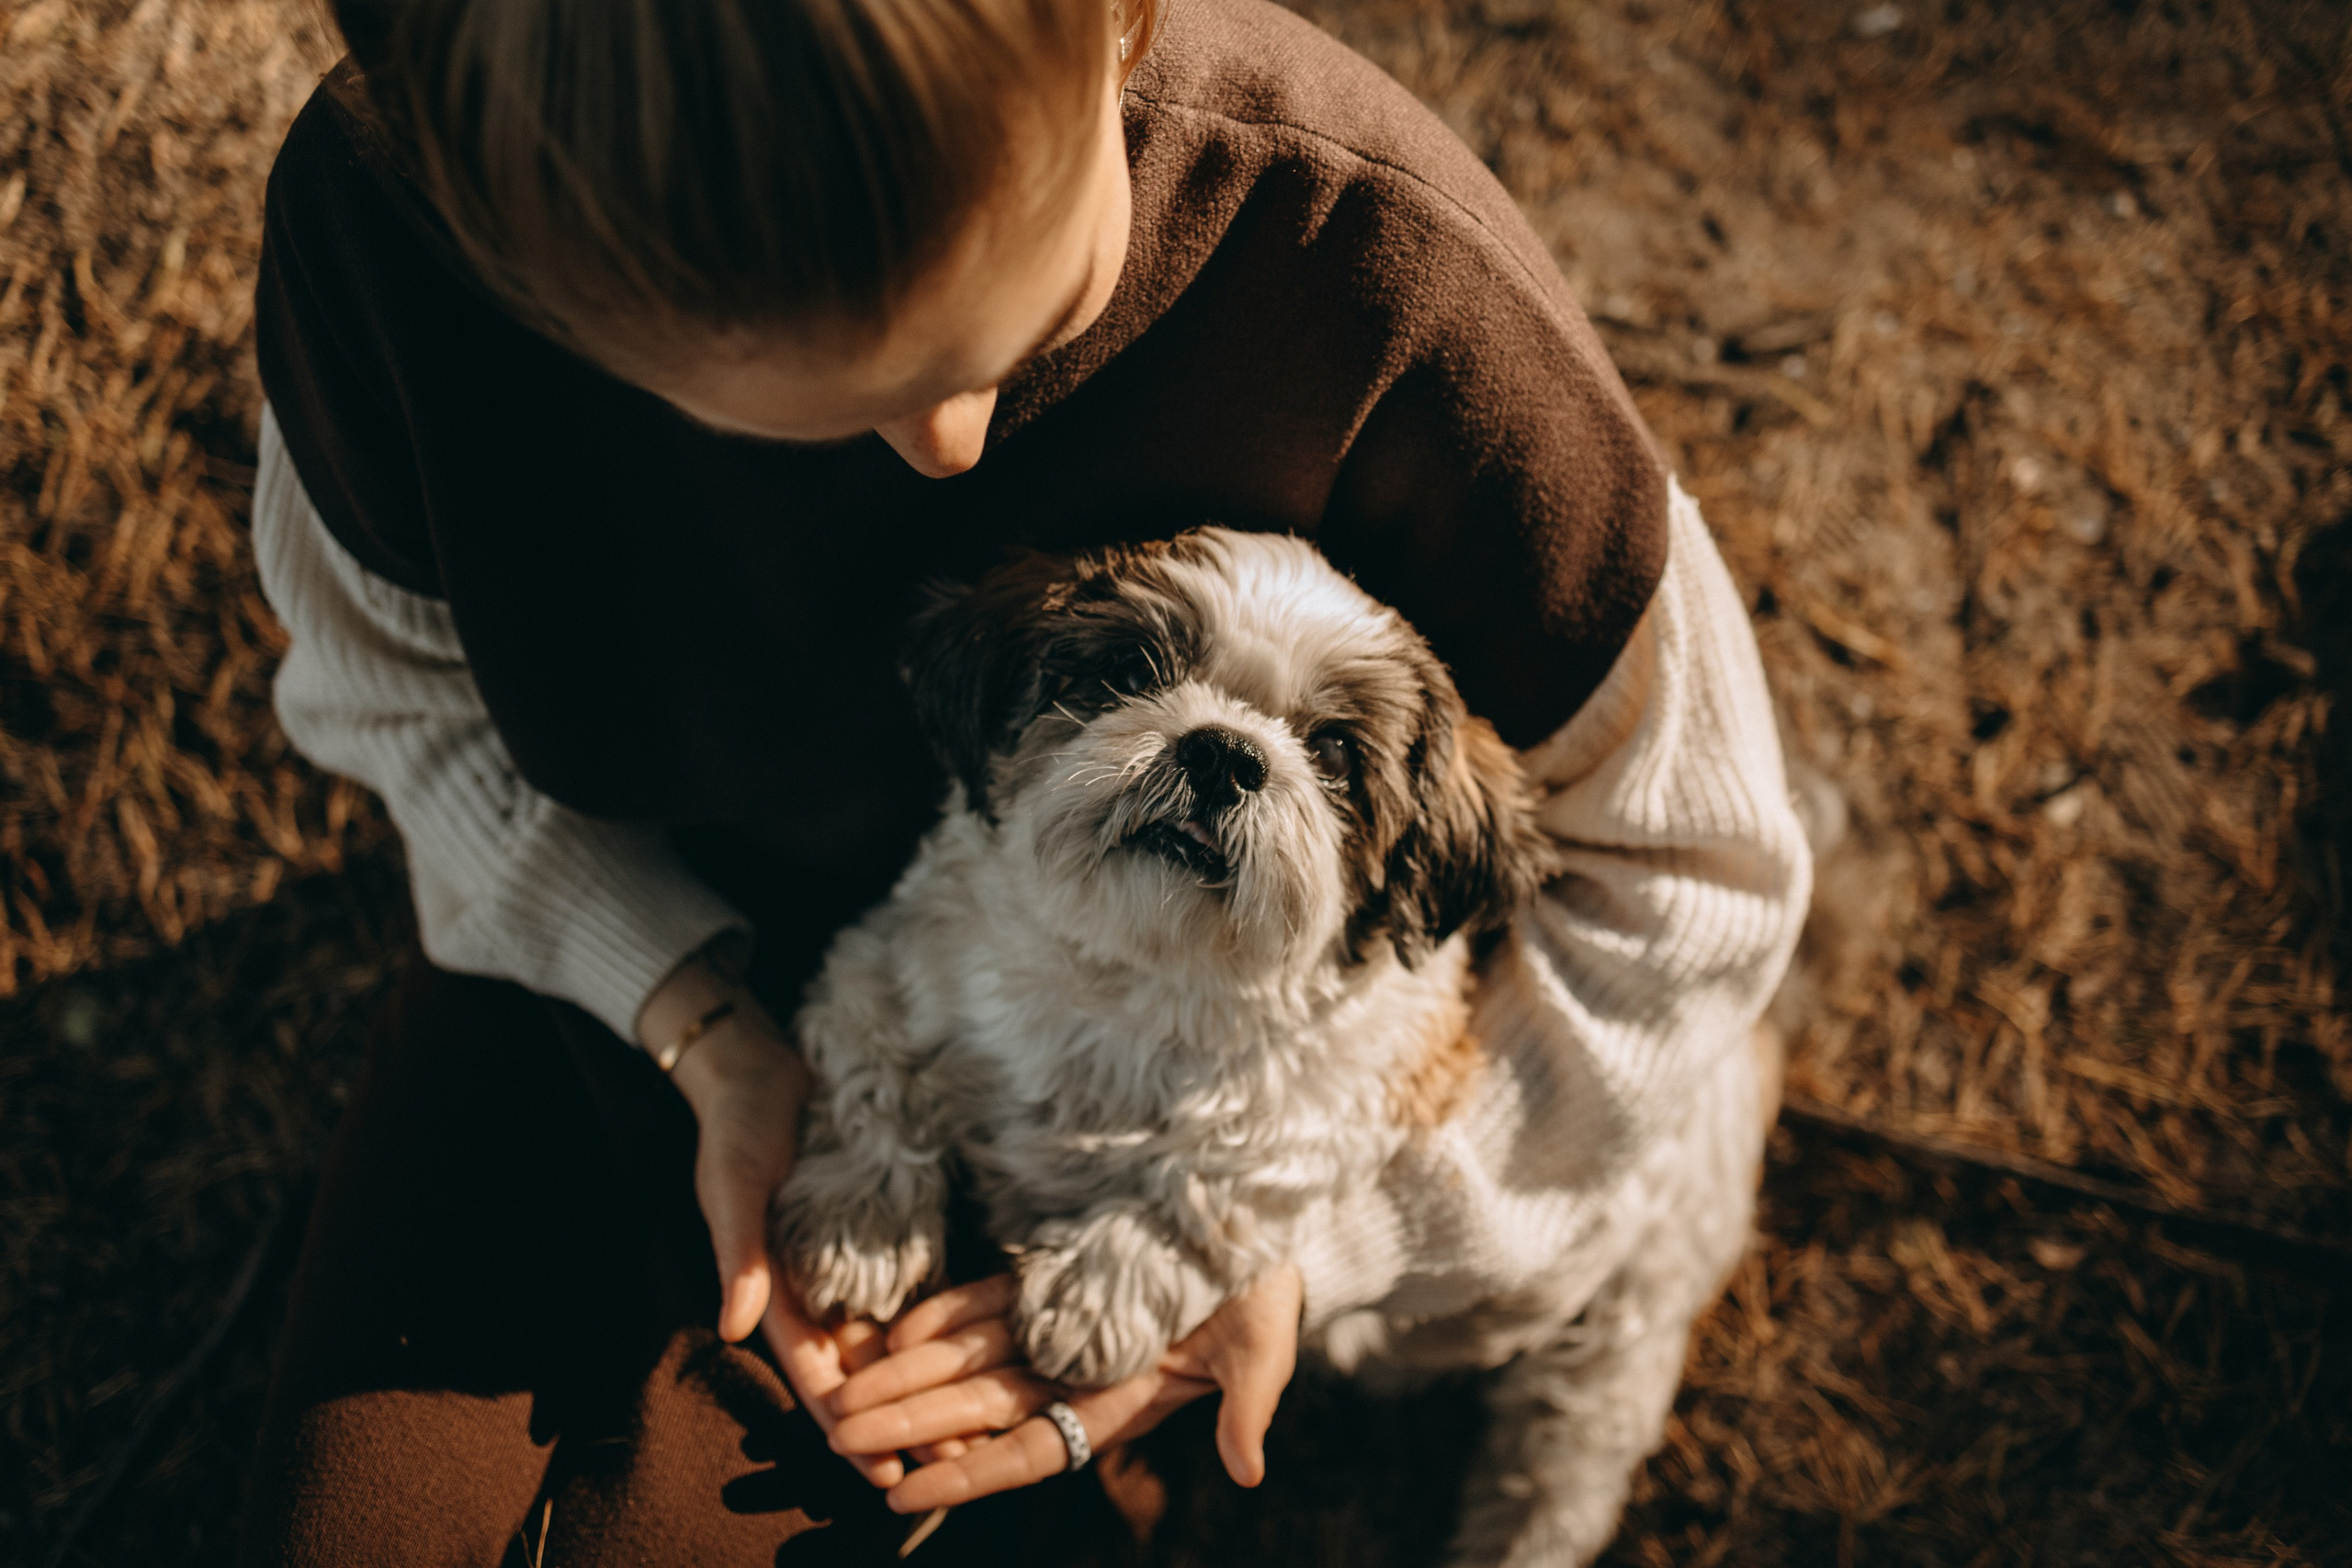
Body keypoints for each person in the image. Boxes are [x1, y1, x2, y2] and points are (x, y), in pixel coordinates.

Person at [239, 0, 1811, 1559]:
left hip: (1163, 1136)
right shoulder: (386, 246)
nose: (950, 443)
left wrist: (1295, 1250)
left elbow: (1699, 881)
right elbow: (403, 706)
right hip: (617, 969)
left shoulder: (1397, 282)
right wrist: (691, 1020)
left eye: (1033, 306)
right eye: (828, 394)